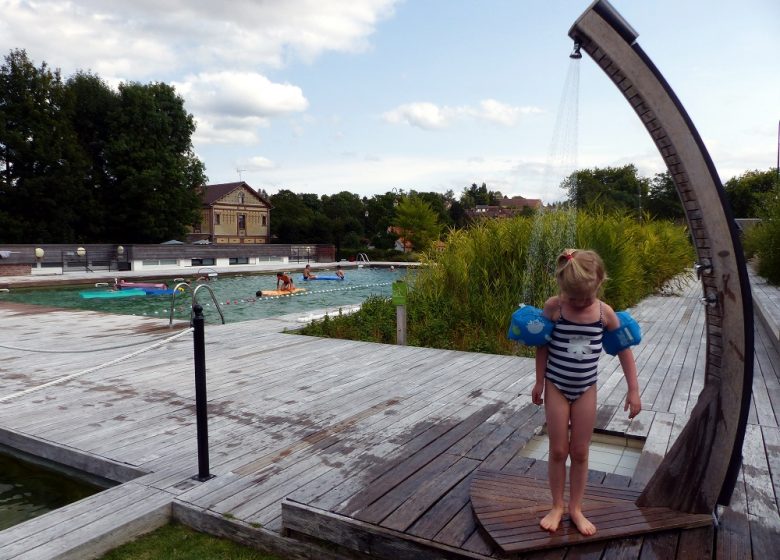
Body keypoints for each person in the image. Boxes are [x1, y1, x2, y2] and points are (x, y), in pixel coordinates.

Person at [532, 248, 641, 537]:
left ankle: (576, 508)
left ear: (600, 281)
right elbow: (542, 345)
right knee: (557, 450)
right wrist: (539, 382)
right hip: (556, 384)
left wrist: (633, 390)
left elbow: (623, 351)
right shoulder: (554, 307)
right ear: (562, 289)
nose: (580, 303)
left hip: (585, 389)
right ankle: (557, 506)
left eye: (586, 297)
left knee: (580, 451)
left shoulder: (605, 314)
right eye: (573, 297)